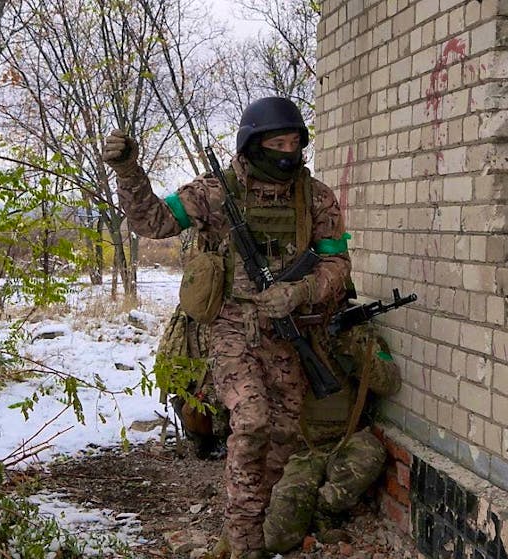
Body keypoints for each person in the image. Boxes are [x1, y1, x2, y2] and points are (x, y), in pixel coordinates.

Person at [102, 97, 351, 559]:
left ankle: (240, 525)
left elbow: (337, 264)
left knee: (284, 437)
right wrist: (129, 172)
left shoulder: (315, 198)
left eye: (294, 142)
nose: (287, 151)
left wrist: (299, 292)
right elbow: (154, 222)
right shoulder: (217, 191)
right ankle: (243, 546)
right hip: (233, 328)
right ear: (254, 144)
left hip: (288, 330)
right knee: (252, 421)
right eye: (277, 142)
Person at [263, 323, 401, 554]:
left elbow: (390, 382)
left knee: (369, 454)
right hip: (298, 451)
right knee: (278, 539)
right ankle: (302, 508)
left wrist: (355, 354)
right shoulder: (275, 333)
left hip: (344, 441)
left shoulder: (355, 331)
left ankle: (324, 510)